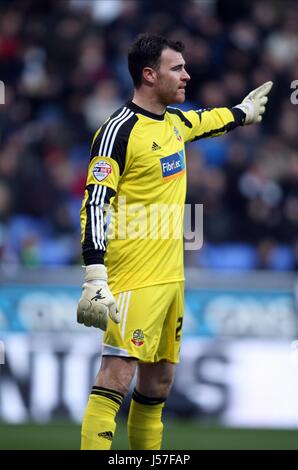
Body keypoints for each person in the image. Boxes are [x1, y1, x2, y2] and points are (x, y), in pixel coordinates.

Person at [77, 33, 273, 450]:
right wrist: (94, 274)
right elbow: (95, 203)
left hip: (171, 281)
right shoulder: (117, 132)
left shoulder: (174, 123)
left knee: (159, 385)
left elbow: (207, 120)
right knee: (115, 379)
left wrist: (242, 111)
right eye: (176, 68)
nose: (187, 75)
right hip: (132, 280)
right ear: (149, 75)